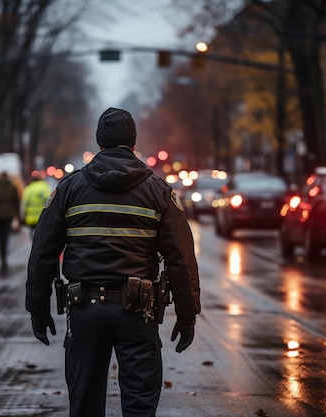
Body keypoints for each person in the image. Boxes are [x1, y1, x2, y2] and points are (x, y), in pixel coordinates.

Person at [26, 107, 201, 417]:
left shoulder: (69, 189)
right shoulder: (158, 192)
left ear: (99, 141)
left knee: (84, 406)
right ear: (133, 142)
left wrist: (38, 310)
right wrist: (187, 316)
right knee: (139, 407)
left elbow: (42, 252)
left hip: (83, 312)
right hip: (138, 314)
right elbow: (181, 259)